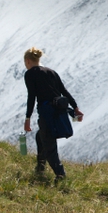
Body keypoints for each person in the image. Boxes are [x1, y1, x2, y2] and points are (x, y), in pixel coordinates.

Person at [23, 47, 83, 181]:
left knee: (49, 145)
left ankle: (61, 175)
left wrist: (27, 118)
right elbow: (64, 91)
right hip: (60, 111)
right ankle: (40, 167)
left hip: (47, 113)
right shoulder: (52, 72)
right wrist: (76, 108)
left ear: (27, 61)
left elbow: (31, 97)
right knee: (40, 137)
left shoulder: (30, 74)